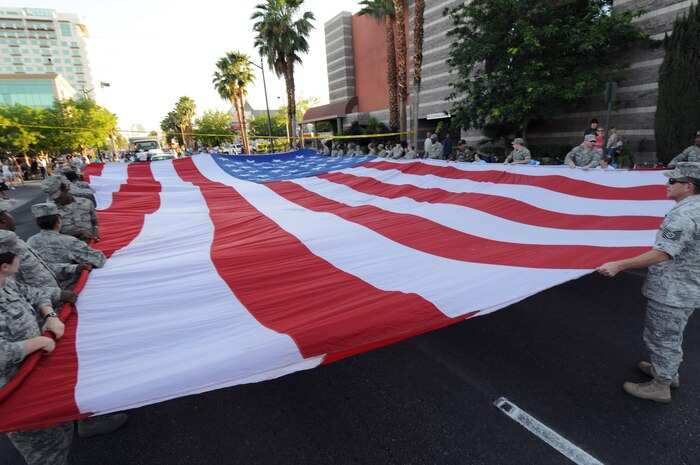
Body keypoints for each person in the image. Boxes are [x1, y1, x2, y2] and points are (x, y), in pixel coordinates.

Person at [597, 162, 700, 403]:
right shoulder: (696, 209)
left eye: (672, 181)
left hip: (672, 289)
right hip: (688, 286)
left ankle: (661, 385)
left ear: (688, 186)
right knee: (672, 334)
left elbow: (664, 253)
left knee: (662, 336)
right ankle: (666, 371)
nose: (667, 185)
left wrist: (619, 264)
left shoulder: (684, 215)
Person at [0, 232, 74, 465]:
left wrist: (50, 315)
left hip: (38, 376)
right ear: (4, 266)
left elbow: (35, 293)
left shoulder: (7, 284)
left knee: (63, 430)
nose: (22, 257)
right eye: (18, 255)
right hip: (14, 392)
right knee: (46, 452)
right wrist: (38, 342)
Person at [0, 213, 77, 307]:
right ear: (3, 219)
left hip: (53, 303)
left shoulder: (16, 243)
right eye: (10, 216)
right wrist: (56, 295)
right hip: (42, 310)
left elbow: (41, 267)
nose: (13, 220)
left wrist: (73, 268)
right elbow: (13, 290)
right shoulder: (5, 250)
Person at [27, 203, 106, 289]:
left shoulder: (30, 242)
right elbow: (99, 259)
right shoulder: (68, 241)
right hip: (72, 289)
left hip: (45, 292)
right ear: (58, 221)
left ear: (37, 224)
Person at [41, 176, 99, 243]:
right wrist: (79, 233)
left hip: (89, 246)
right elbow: (50, 235)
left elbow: (94, 220)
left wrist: (95, 230)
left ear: (66, 188)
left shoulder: (86, 203)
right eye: (52, 197)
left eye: (58, 196)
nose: (55, 200)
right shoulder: (50, 211)